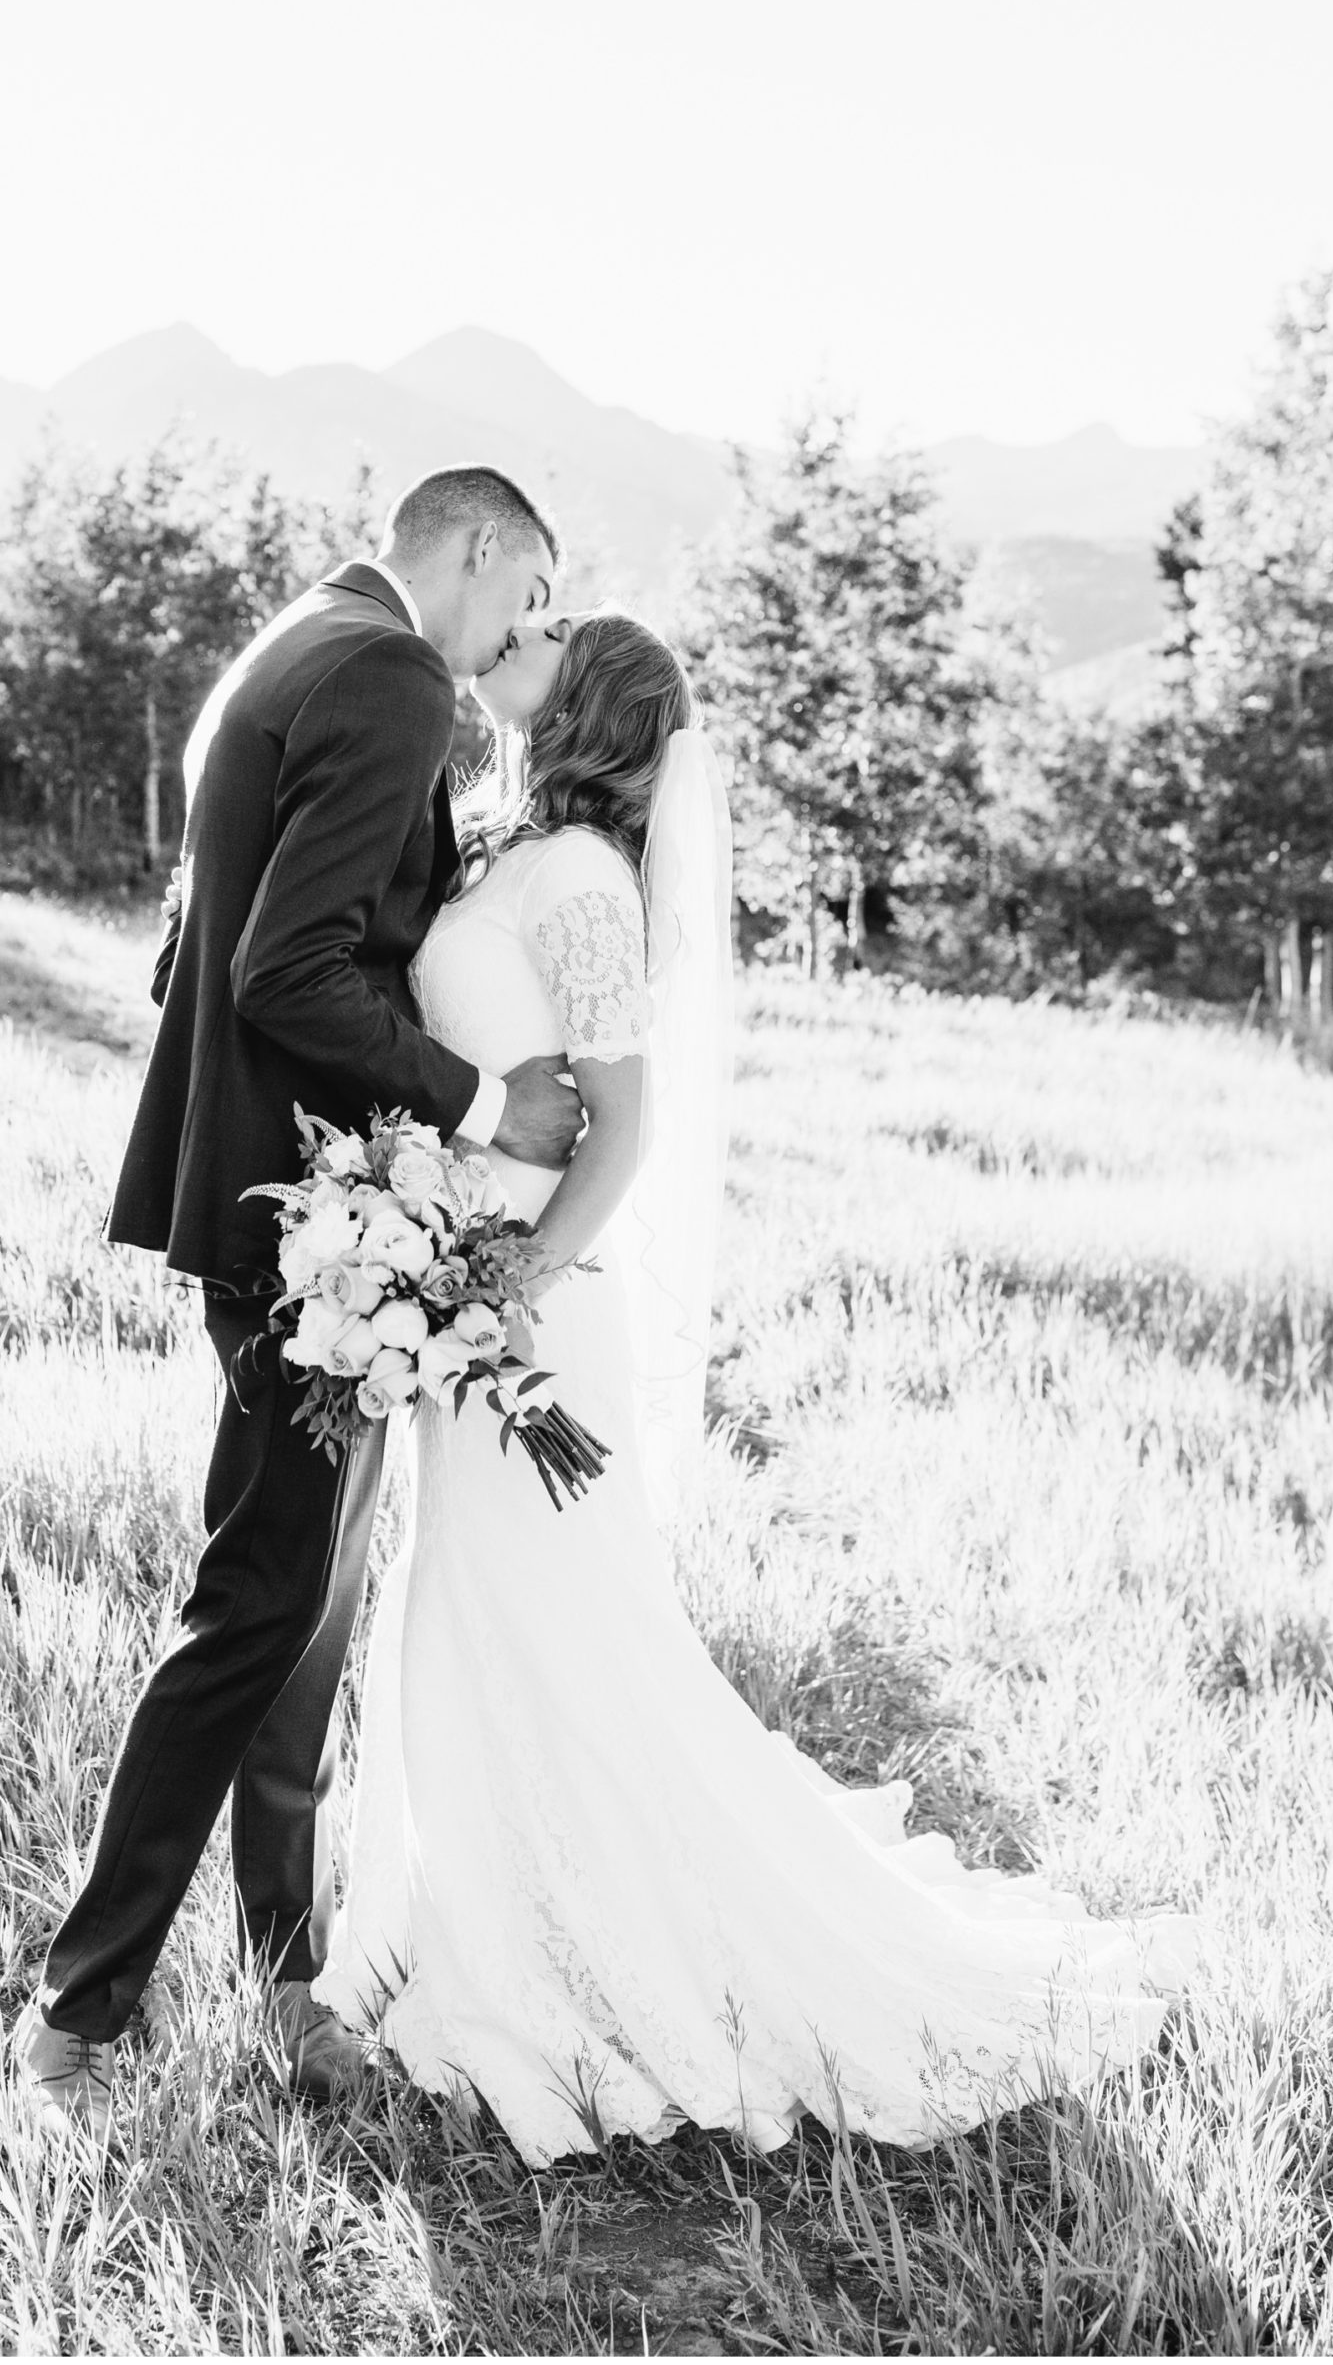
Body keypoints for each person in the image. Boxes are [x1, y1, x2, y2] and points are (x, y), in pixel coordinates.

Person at [312, 609, 1203, 2164]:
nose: (512, 641)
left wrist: (509, 1286)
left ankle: (589, 1948)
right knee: (462, 1615)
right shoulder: (510, 851)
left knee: (553, 1625)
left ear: (582, 702)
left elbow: (621, 1132)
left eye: (543, 637)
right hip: (455, 1302)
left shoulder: (584, 883)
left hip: (528, 1314)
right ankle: (476, 1908)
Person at [13, 466, 584, 2134]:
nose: (520, 637)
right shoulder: (394, 671)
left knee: (303, 1610)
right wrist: (478, 1105)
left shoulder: (294, 640)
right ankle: (73, 2014)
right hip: (306, 1234)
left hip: (269, 1200)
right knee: (259, 1605)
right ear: (478, 546)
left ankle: (286, 1976)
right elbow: (280, 965)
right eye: (528, 590)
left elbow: (197, 941)